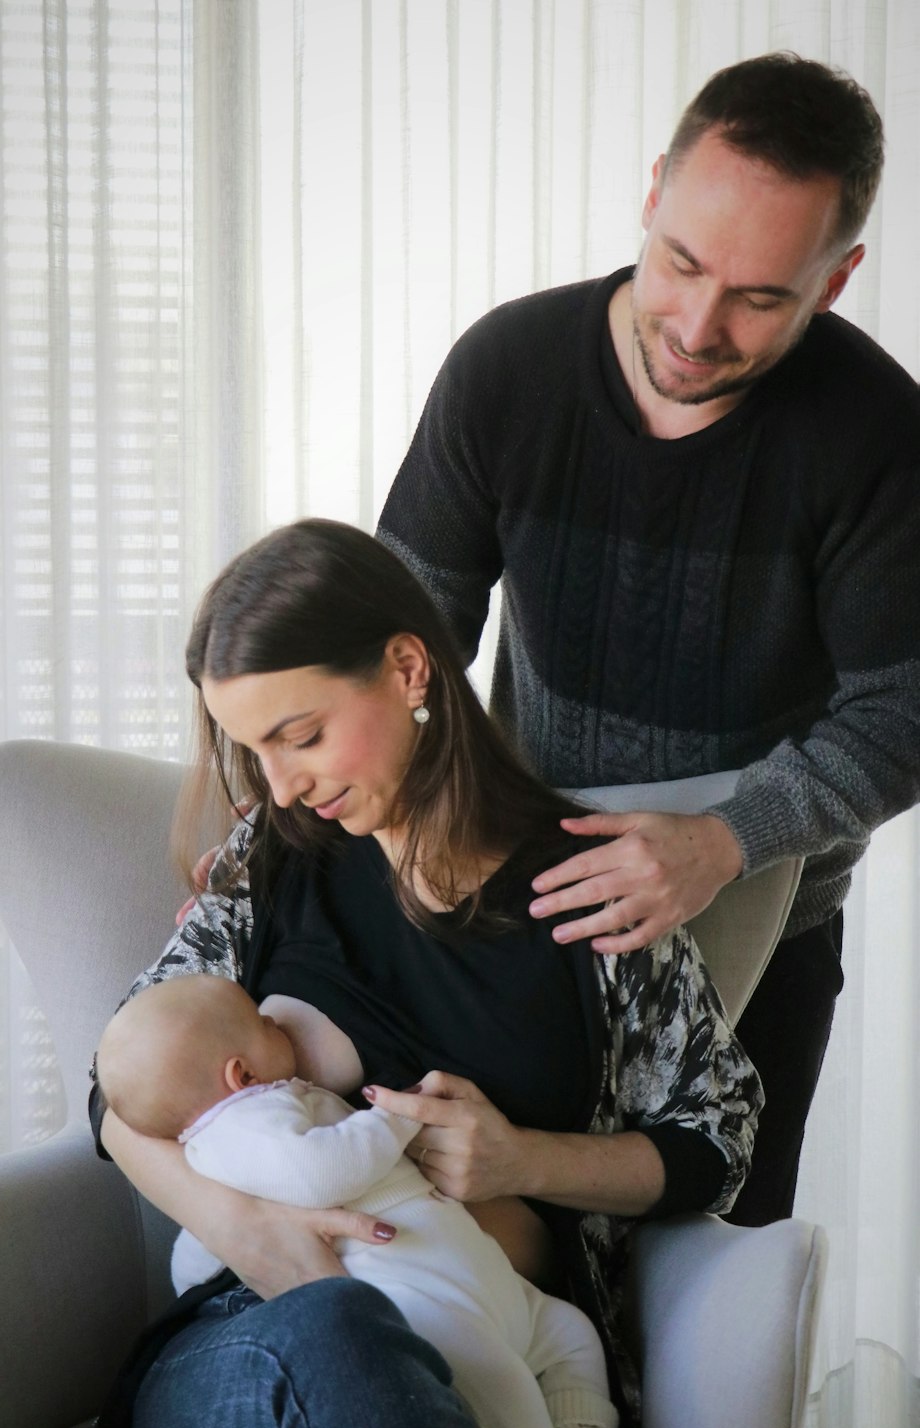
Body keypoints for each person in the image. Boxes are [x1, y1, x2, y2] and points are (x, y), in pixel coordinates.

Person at [376, 51, 920, 1227]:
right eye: (680, 262)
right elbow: (400, 645)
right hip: (517, 899)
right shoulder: (507, 370)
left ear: (836, 281)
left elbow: (903, 710)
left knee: (712, 1264)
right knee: (502, 1245)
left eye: (761, 297)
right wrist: (280, 834)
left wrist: (725, 840)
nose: (696, 322)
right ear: (653, 191)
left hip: (762, 917)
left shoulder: (877, 434)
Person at [88, 518, 762, 1428]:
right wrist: (247, 1230)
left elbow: (716, 1136)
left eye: (302, 736)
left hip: (496, 1342)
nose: (278, 789)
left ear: (408, 670)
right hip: (256, 1331)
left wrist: (524, 1159)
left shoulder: (590, 889)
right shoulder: (278, 858)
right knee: (344, 1331)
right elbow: (117, 1090)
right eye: (256, 752)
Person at [96, 973, 664, 1428]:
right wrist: (394, 1116)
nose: (278, 1021)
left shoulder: (262, 1107)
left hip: (480, 1277)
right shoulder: (243, 1125)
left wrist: (523, 1160)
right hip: (403, 1298)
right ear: (240, 1075)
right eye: (264, 1022)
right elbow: (321, 1170)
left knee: (569, 1333)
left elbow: (188, 1262)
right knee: (503, 1389)